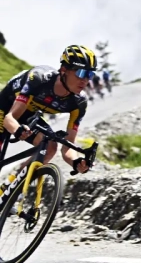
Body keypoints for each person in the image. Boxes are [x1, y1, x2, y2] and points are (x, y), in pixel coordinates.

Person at [0, 44, 97, 175]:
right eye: (81, 73)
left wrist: (76, 162)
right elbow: (9, 118)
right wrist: (17, 130)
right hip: (7, 105)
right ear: (64, 70)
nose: (85, 80)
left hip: (28, 113)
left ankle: (14, 183)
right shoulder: (39, 79)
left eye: (90, 74)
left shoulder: (79, 103)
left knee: (50, 146)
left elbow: (68, 146)